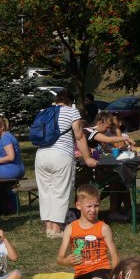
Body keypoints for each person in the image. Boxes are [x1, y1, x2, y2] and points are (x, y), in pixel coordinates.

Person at [34, 88, 94, 237]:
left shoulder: (45, 111)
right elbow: (79, 137)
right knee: (60, 191)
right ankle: (56, 229)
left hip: (41, 155)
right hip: (61, 155)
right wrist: (87, 158)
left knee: (45, 192)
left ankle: (48, 227)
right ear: (70, 102)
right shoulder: (72, 112)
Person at [57, 184, 119, 279]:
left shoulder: (103, 228)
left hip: (101, 270)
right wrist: (66, 261)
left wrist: (114, 277)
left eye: (96, 206)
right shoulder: (70, 228)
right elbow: (59, 258)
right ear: (78, 205)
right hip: (81, 274)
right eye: (89, 206)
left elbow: (115, 256)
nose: (93, 210)